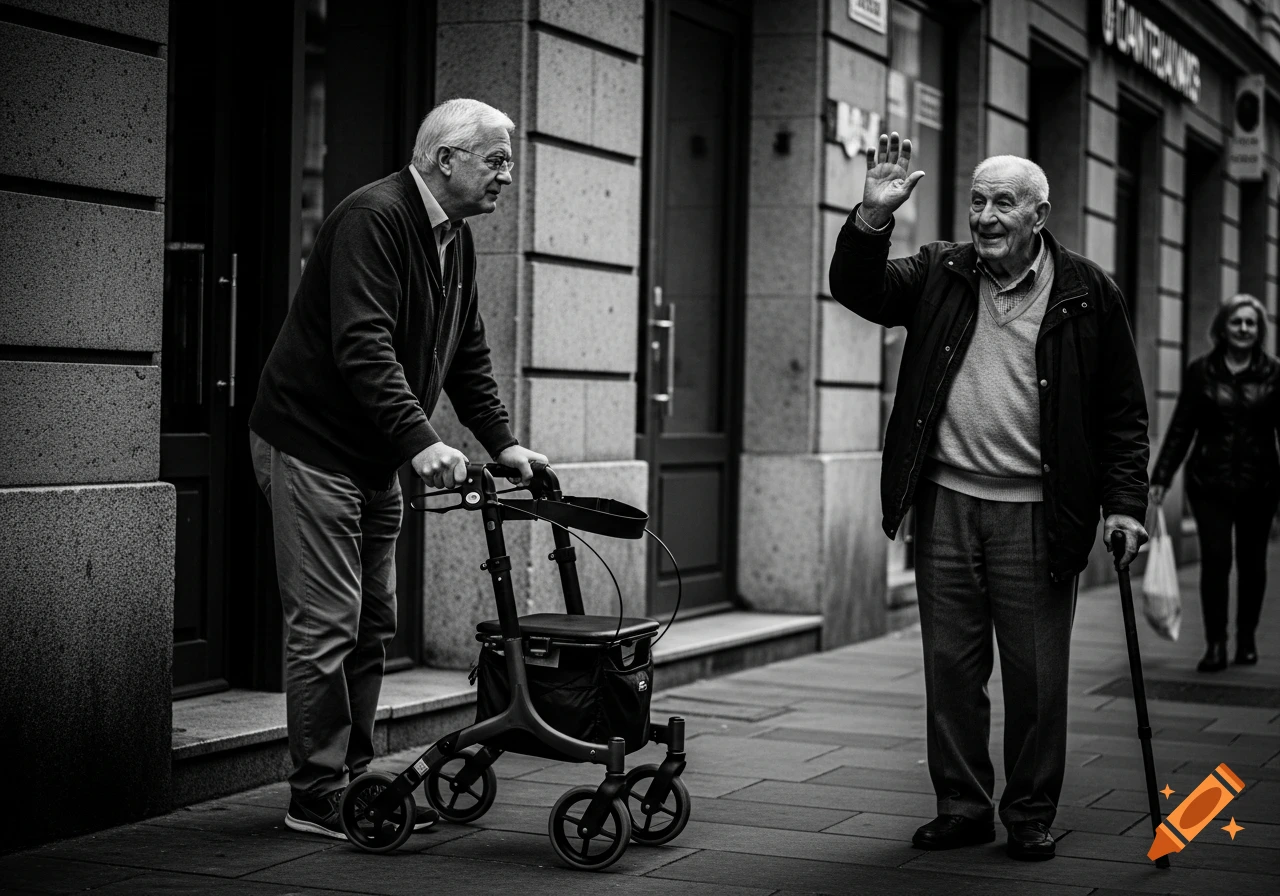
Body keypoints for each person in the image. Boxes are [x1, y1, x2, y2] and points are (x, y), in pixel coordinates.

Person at [829, 134, 1150, 862]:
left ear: (1039, 213)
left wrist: (1126, 505)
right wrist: (872, 219)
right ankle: (962, 806)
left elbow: (1122, 415)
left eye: (1003, 202)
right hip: (946, 503)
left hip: (1039, 515)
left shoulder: (1088, 292)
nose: (985, 215)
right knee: (951, 669)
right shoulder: (942, 271)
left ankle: (1031, 811)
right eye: (977, 199)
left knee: (1036, 677)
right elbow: (860, 290)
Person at [248, 98, 549, 840]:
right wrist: (422, 442)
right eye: (498, 160)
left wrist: (502, 442)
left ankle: (351, 778)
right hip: (312, 443)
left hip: (374, 456)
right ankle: (315, 792)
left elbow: (466, 353)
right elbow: (363, 346)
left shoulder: (454, 238)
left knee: (372, 622)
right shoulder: (373, 218)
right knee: (326, 623)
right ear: (446, 160)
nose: (509, 175)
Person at [1150, 293, 1279, 672]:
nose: (1243, 329)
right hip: (1209, 484)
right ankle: (1216, 643)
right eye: (1236, 322)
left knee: (1253, 565)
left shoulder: (1274, 373)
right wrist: (1161, 476)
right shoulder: (1201, 371)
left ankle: (1248, 638)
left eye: (1250, 323)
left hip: (1260, 484)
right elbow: (1181, 428)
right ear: (1222, 327)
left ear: (1259, 331)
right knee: (1217, 561)